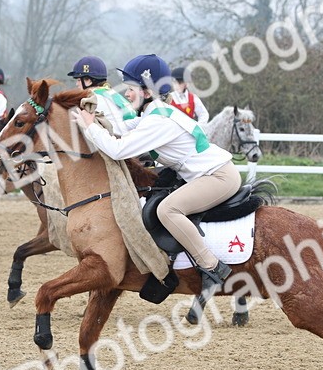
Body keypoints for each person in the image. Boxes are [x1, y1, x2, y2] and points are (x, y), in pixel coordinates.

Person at [72, 53, 240, 299]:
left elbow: (118, 150)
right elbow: (124, 128)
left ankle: (212, 267)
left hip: (218, 177)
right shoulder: (155, 113)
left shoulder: (158, 120)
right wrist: (94, 120)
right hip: (208, 174)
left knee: (167, 210)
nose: (126, 94)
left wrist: (89, 127)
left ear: (147, 92)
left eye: (131, 89)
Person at [67, 55, 138, 136]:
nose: (77, 84)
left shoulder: (94, 99)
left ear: (88, 81)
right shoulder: (109, 92)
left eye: (79, 80)